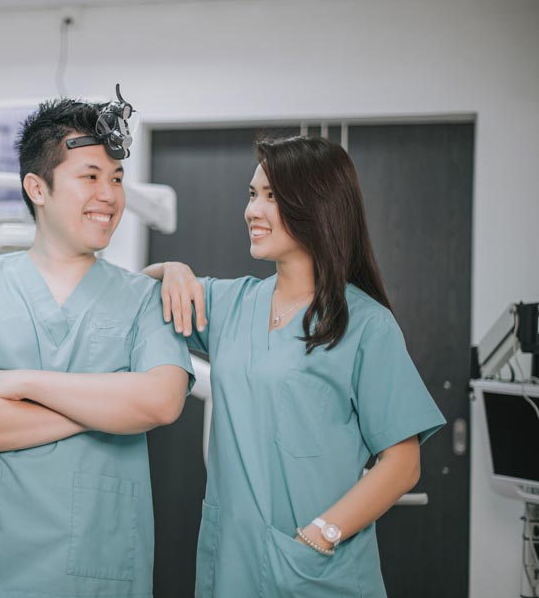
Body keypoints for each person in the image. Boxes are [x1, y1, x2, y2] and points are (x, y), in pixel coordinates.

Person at [0, 94, 194, 598]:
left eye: (117, 179)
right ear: (37, 187)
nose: (110, 194)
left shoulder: (144, 298)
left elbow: (161, 403)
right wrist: (105, 408)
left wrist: (23, 384)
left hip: (89, 567)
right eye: (90, 176)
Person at [143, 135, 446, 597]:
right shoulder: (230, 302)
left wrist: (321, 535)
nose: (252, 211)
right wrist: (173, 268)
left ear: (316, 206)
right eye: (252, 195)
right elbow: (131, 298)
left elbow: (403, 464)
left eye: (271, 197)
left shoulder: (365, 324)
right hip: (233, 562)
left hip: (316, 568)